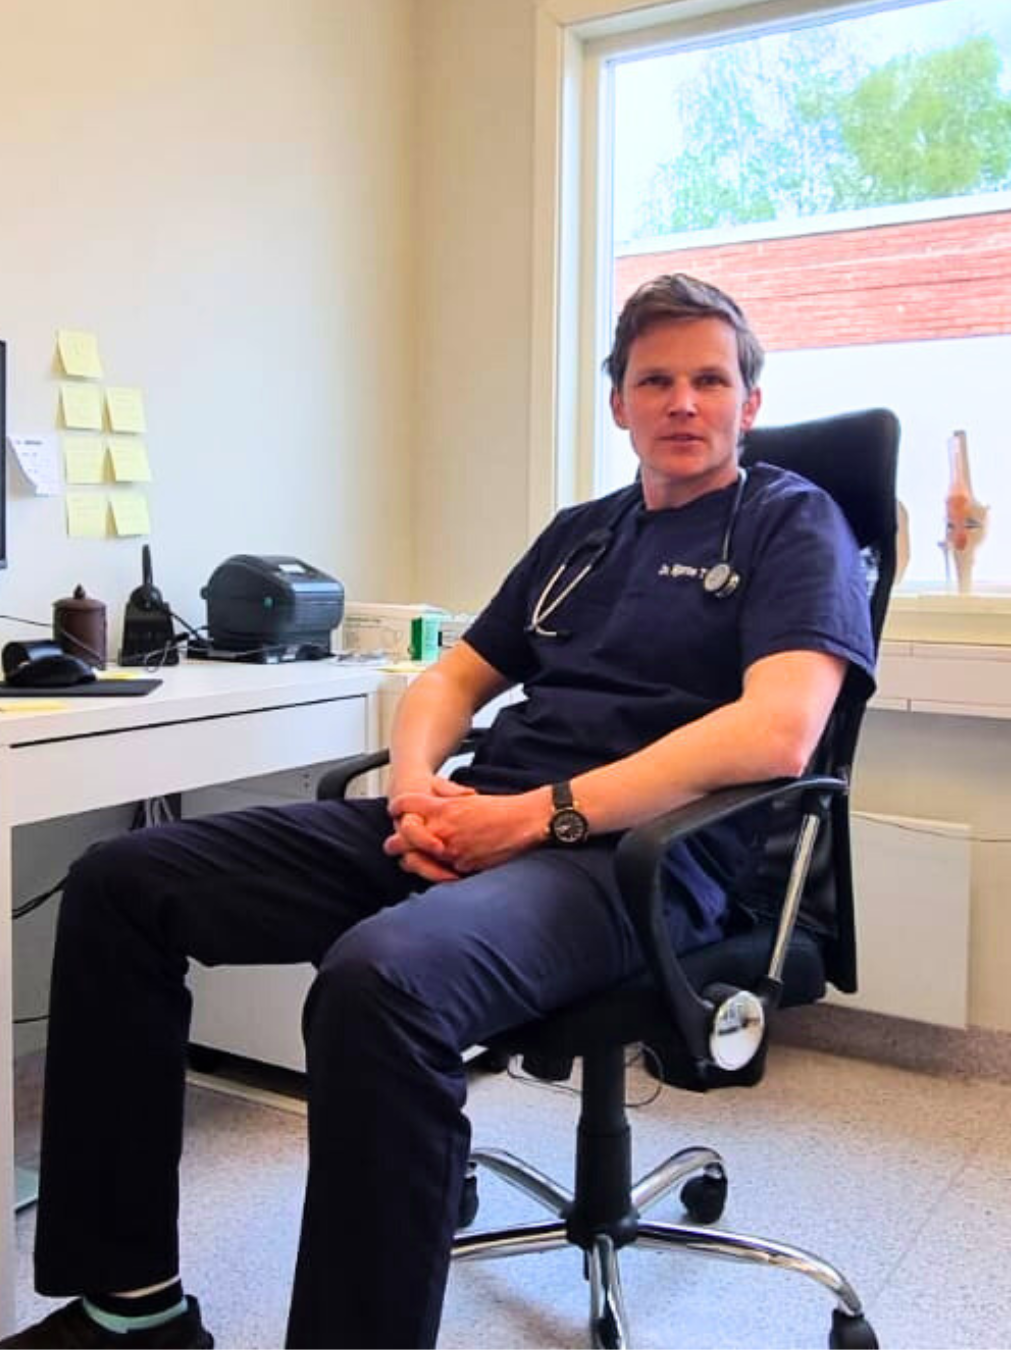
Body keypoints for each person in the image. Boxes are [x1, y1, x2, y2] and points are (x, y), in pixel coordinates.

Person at [3, 274, 875, 1350]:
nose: (683, 402)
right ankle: (127, 1307)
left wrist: (530, 819)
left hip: (636, 864)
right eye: (656, 380)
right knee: (123, 884)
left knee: (382, 981)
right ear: (618, 403)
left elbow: (774, 734)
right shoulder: (581, 538)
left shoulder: (795, 523)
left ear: (749, 399)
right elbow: (451, 679)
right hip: (491, 818)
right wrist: (415, 789)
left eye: (709, 379)